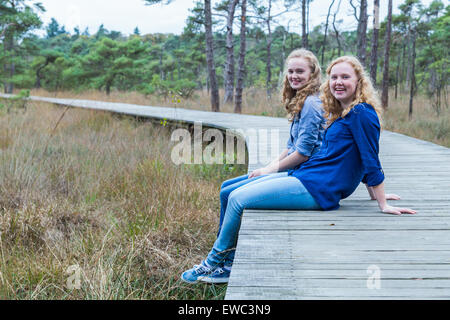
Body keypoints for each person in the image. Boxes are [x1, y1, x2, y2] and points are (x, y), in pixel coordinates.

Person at [181, 55, 415, 285]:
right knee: (231, 193)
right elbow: (356, 155)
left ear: (359, 82)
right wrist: (372, 192)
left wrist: (382, 202)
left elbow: (370, 156)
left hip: (320, 188)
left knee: (237, 198)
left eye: (345, 77)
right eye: (334, 77)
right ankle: (226, 262)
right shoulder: (344, 112)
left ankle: (214, 262)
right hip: (308, 176)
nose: (338, 82)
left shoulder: (361, 113)